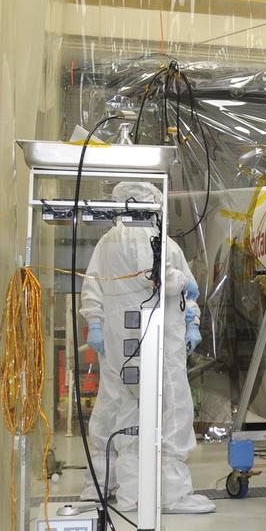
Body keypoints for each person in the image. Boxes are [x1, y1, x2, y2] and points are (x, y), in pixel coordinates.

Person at [79, 180, 214, 514]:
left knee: (115, 408)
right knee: (170, 410)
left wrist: (95, 324)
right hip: (156, 341)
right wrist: (186, 288)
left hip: (119, 341)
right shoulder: (156, 242)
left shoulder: (109, 242)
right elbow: (165, 282)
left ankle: (101, 485)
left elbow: (92, 287)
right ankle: (171, 493)